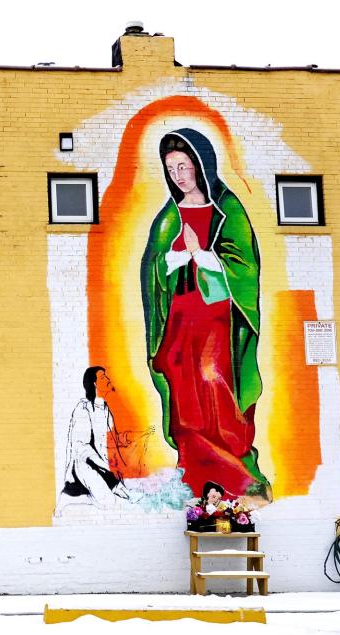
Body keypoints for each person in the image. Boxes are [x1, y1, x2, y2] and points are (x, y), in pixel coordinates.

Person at [140, 128, 271, 503]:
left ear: (201, 165)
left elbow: (244, 266)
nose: (179, 175)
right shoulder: (167, 217)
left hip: (215, 316)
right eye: (171, 169)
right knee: (183, 388)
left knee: (212, 380)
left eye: (184, 166)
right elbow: (151, 268)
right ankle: (197, 471)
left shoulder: (227, 210)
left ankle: (235, 469)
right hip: (179, 317)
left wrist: (201, 254)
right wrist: (171, 259)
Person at [57, 366, 136, 511]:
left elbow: (111, 439)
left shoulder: (105, 409)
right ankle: (69, 496)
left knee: (122, 493)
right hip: (84, 464)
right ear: (94, 384)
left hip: (103, 464)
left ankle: (119, 489)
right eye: (102, 377)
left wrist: (125, 441)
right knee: (108, 502)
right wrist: (105, 467)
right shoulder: (83, 408)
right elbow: (82, 448)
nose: (108, 379)